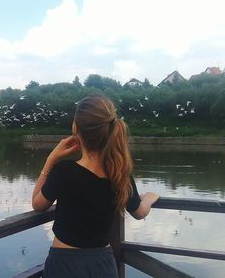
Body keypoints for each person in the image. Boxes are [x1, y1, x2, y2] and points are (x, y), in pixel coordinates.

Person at [32, 94, 160, 278]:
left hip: (65, 265)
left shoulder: (64, 171)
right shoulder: (119, 175)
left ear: (76, 127)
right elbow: (139, 212)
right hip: (103, 266)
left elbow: (37, 205)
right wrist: (149, 198)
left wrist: (51, 159)